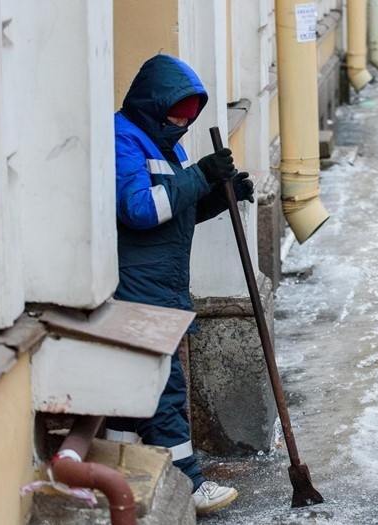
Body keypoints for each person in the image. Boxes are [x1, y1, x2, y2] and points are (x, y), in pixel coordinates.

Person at [105, 54, 254, 514]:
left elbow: (176, 211)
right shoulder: (122, 139)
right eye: (177, 116)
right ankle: (189, 483)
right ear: (154, 105)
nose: (183, 125)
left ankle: (120, 465)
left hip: (163, 283)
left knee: (134, 387)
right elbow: (141, 209)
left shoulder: (168, 145)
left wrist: (219, 196)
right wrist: (201, 176)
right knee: (164, 384)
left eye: (189, 118)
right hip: (138, 284)